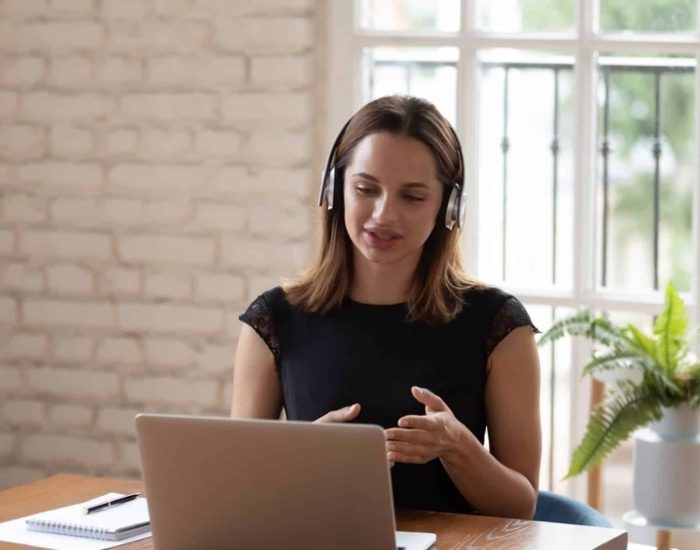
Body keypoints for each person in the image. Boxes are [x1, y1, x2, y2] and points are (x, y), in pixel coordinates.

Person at [231, 95, 541, 520]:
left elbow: (521, 507)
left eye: (412, 197)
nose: (383, 214)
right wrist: (298, 459)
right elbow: (237, 493)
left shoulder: (499, 326)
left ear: (449, 208)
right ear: (334, 190)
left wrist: (457, 446)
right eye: (365, 189)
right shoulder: (273, 320)